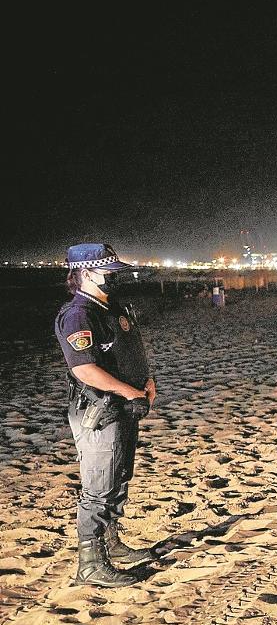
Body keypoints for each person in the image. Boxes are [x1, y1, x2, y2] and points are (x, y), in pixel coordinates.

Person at [55, 243, 157, 587]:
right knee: (98, 486)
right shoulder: (79, 314)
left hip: (124, 406)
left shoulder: (109, 308)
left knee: (118, 476)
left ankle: (111, 543)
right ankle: (91, 562)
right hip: (99, 409)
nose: (116, 277)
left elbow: (131, 349)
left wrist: (146, 382)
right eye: (109, 272)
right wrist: (129, 391)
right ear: (84, 274)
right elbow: (84, 369)